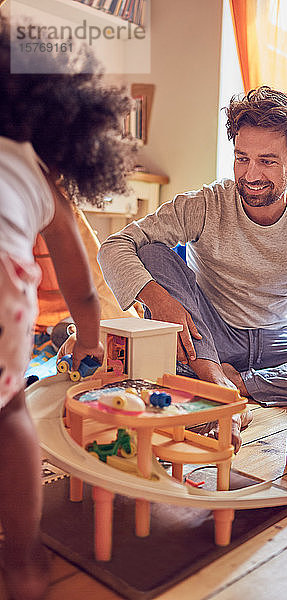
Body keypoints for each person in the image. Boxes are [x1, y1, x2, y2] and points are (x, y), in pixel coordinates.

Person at [98, 86, 287, 451]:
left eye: (267, 161)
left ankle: (235, 385)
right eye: (242, 158)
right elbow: (116, 245)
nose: (251, 174)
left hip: (277, 343)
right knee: (152, 250)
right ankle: (213, 376)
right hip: (207, 337)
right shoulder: (207, 204)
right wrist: (158, 300)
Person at [0, 17, 134, 600]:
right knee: (9, 416)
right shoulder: (38, 174)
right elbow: (81, 285)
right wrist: (89, 339)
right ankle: (24, 558)